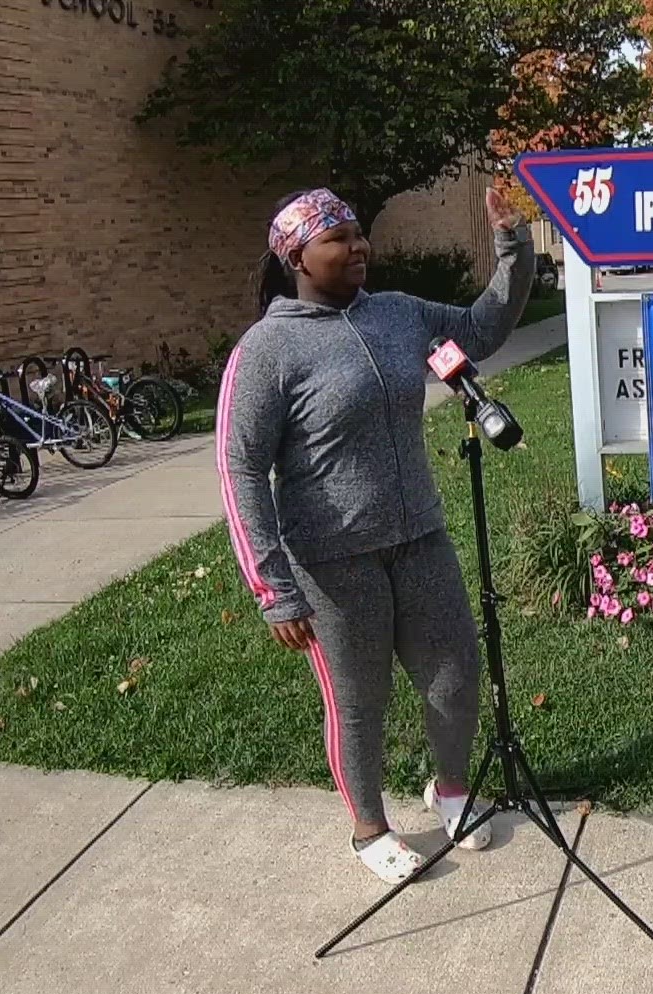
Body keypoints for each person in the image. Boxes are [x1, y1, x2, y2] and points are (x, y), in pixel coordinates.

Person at [218, 184, 534, 883]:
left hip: (418, 535)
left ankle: (451, 791)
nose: (358, 247)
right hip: (332, 563)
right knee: (359, 703)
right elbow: (240, 468)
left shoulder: (398, 314)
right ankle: (369, 828)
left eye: (359, 234)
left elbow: (481, 328)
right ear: (297, 255)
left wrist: (512, 245)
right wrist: (273, 587)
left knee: (453, 677)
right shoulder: (267, 350)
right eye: (339, 239)